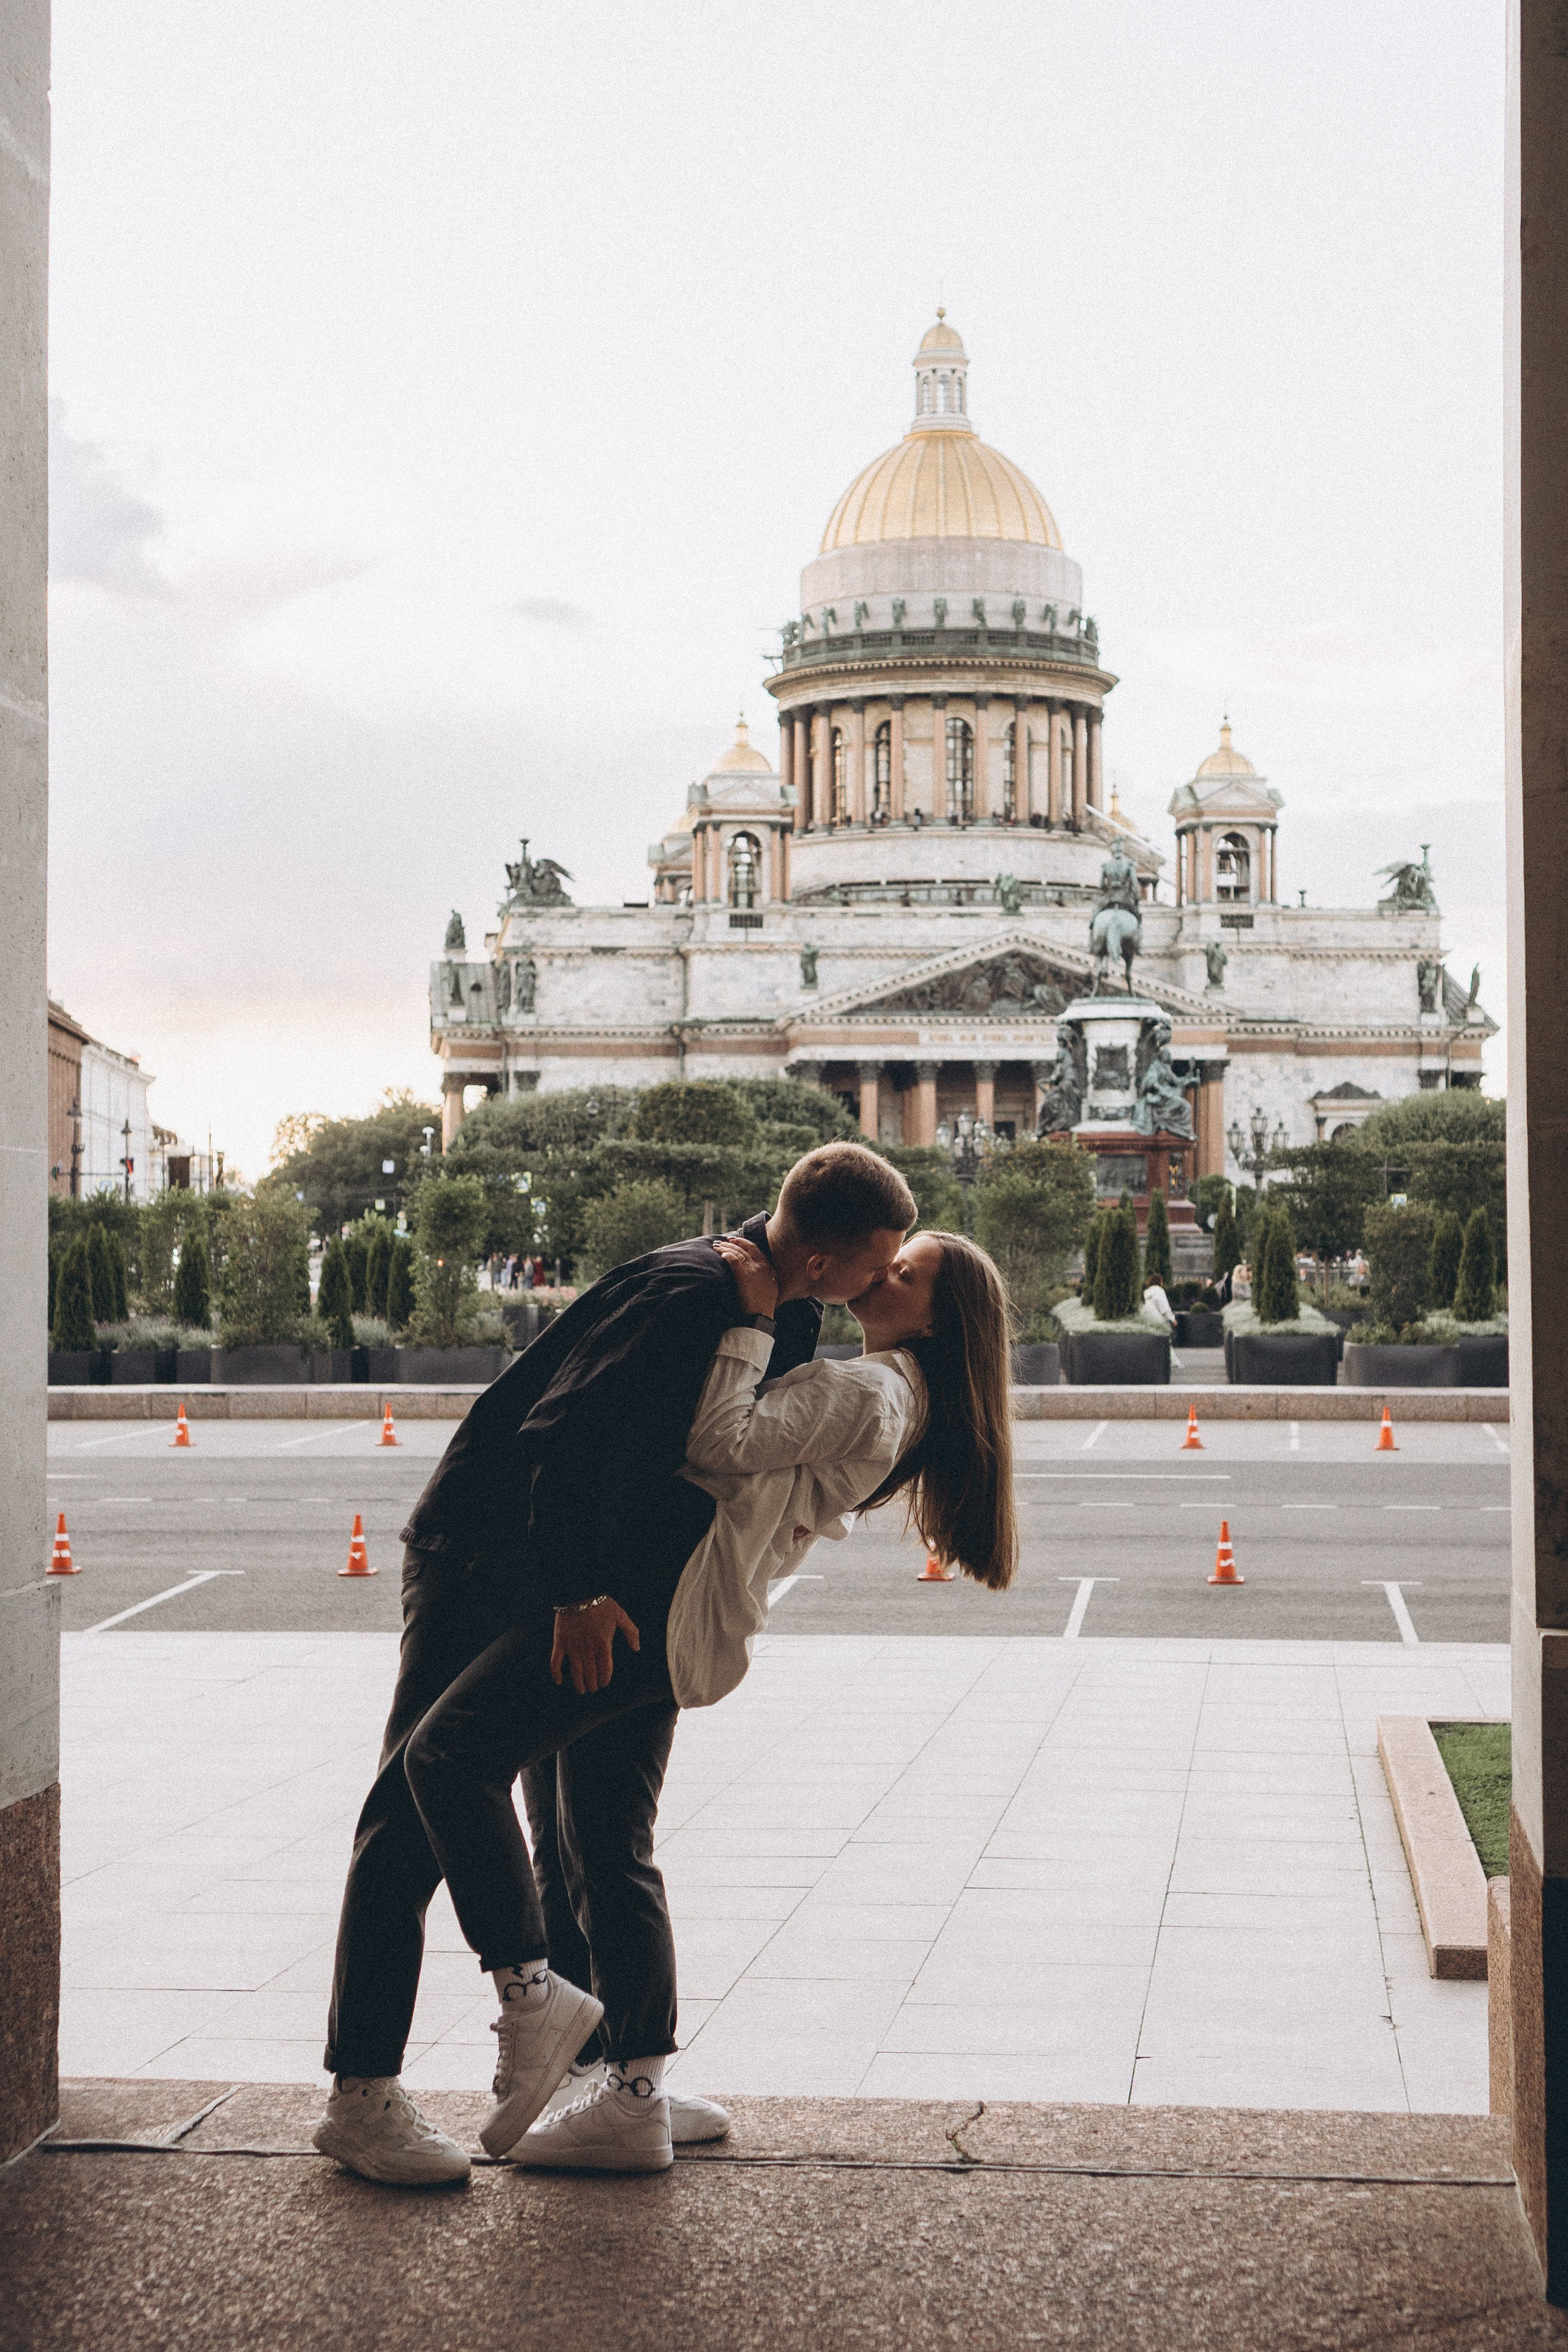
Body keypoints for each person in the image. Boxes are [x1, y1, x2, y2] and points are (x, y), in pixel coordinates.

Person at [312, 1142, 917, 2187]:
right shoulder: (691, 1291)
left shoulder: (787, 1310)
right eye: (877, 1263)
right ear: (822, 1260)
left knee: (588, 1831)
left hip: (610, 1591)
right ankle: (363, 2095)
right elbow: (559, 1437)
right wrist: (579, 1594)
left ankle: (608, 2078)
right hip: (487, 1554)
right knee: (411, 1810)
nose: (880, 1282)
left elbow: (713, 1457)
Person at [399, 1223, 1016, 2179]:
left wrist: (753, 1323)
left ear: (943, 1320)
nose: (883, 1271)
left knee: (474, 1773)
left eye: (907, 1272)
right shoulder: (891, 1388)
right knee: (590, 1837)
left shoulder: (876, 1390)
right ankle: (622, 2079)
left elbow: (720, 1440)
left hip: (661, 1607)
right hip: (670, 1602)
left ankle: (584, 2047)